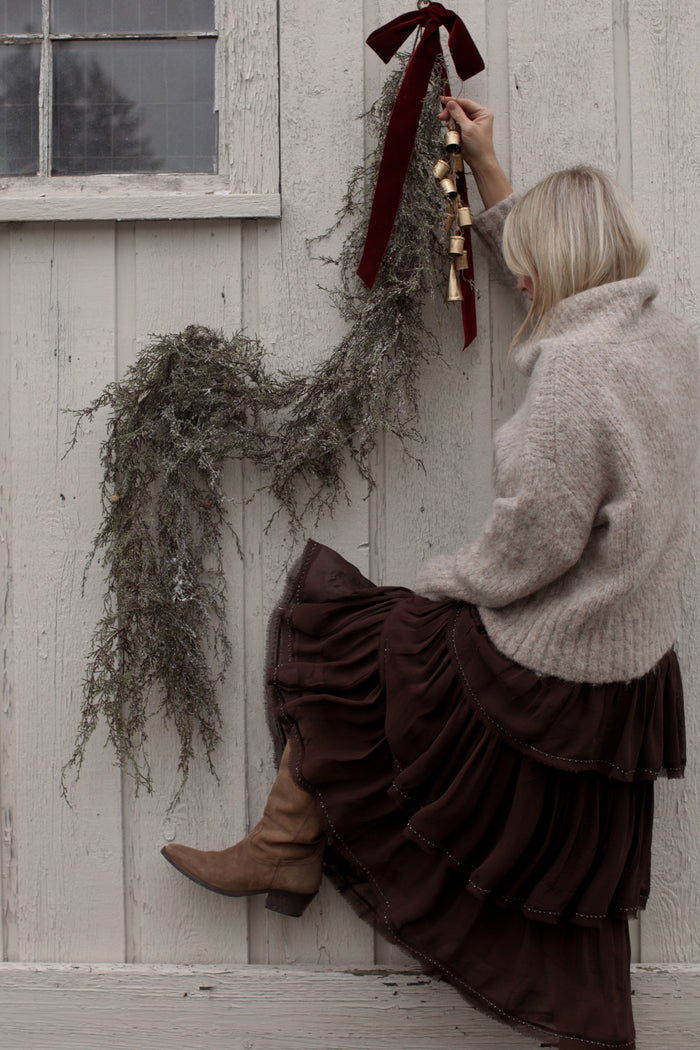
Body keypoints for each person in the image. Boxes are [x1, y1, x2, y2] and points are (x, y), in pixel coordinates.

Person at [162, 97, 699, 1050]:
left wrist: (443, 577)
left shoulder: (574, 375)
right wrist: (494, 176)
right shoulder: (665, 339)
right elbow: (554, 275)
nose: (517, 272)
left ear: (547, 269)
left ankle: (286, 845)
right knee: (572, 886)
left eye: (523, 260)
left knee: (353, 630)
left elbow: (531, 545)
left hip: (554, 663)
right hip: (630, 674)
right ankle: (587, 1030)